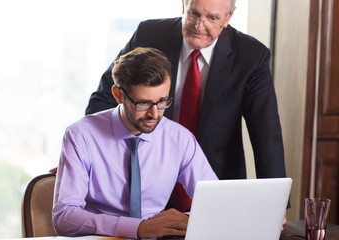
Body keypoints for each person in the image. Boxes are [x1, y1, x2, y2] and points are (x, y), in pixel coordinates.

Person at [86, 0, 287, 191]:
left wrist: (276, 205)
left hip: (215, 182)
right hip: (146, 178)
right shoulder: (149, 35)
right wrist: (86, 158)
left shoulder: (251, 56)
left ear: (229, 17)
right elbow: (105, 97)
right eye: (194, 14)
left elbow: (267, 136)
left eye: (213, 18)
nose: (199, 26)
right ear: (184, 4)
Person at [52, 47, 218, 239]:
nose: (155, 114)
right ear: (118, 95)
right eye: (143, 103)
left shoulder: (179, 139)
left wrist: (188, 220)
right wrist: (136, 228)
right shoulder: (80, 135)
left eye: (162, 101)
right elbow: (64, 218)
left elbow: (214, 204)